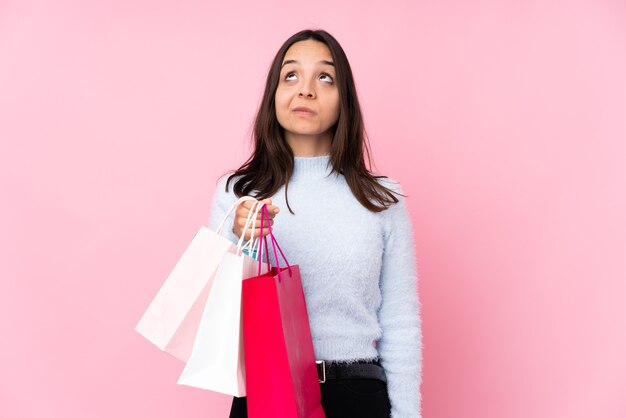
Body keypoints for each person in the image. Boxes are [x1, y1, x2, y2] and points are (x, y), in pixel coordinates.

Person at [208, 29, 422, 418]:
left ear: (345, 101)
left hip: (359, 396)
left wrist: (407, 415)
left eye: (325, 77)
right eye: (291, 75)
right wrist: (240, 237)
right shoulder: (239, 192)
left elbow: (400, 320)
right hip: (267, 392)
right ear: (273, 94)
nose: (305, 90)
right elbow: (219, 318)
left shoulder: (383, 199)